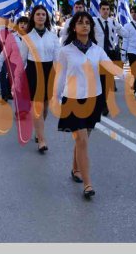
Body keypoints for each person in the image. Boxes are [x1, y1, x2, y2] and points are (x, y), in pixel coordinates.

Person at [55, 11, 123, 199]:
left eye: (87, 22)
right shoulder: (66, 51)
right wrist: (56, 98)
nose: (84, 25)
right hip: (73, 101)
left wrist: (128, 76)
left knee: (82, 139)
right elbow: (60, 76)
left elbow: (110, 66)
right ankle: (88, 184)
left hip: (94, 99)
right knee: (82, 140)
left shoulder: (97, 50)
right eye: (80, 22)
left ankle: (75, 168)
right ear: (73, 27)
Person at [20, 5, 60, 153]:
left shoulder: (53, 36)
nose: (41, 16)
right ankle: (42, 140)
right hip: (33, 71)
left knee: (45, 106)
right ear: (33, 17)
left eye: (43, 14)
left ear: (46, 17)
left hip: (49, 71)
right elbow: (22, 59)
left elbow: (58, 58)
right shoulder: (27, 37)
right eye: (38, 14)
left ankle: (38, 131)